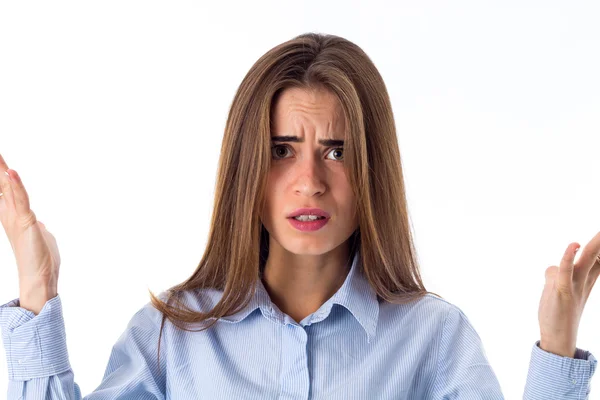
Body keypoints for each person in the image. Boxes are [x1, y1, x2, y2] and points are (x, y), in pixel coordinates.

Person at [0, 32, 597, 399]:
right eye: (281, 150)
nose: (309, 182)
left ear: (372, 175)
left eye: (336, 152)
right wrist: (37, 291)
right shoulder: (168, 339)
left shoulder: (434, 341)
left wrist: (557, 348)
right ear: (246, 174)